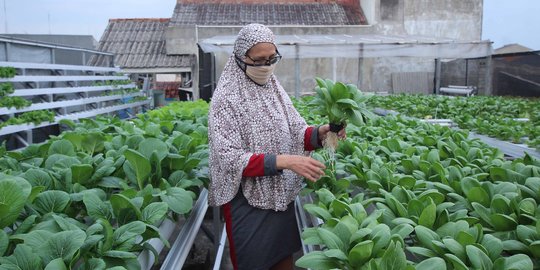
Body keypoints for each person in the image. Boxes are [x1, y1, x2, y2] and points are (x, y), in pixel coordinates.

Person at [208, 23, 346, 270]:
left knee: (284, 260)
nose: (267, 66)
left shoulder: (274, 89)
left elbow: (295, 132)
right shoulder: (226, 98)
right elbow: (229, 158)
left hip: (279, 197)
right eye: (259, 60)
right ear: (241, 58)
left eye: (272, 58)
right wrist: (284, 161)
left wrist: (320, 133)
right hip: (247, 201)